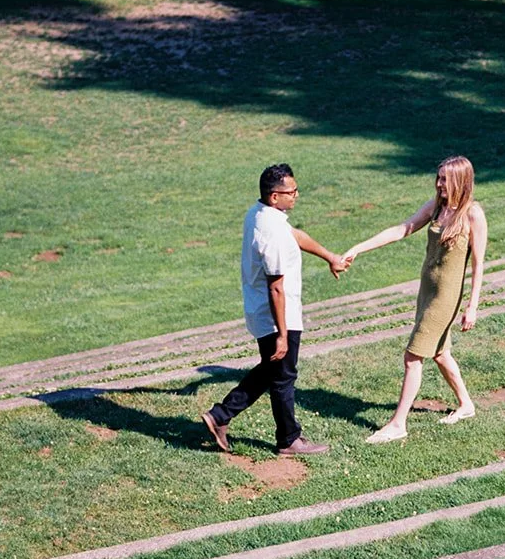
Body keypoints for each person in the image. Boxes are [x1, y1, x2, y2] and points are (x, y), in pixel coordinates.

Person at [200, 163, 349, 456]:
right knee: (283, 377)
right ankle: (289, 440)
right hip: (277, 315)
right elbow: (276, 287)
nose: (296, 195)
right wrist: (282, 333)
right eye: (290, 192)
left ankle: (219, 416)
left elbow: (295, 234)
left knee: (271, 371)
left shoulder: (261, 215)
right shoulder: (272, 232)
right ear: (273, 196)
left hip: (266, 311)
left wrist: (329, 256)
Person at [344, 155, 487, 443]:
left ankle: (398, 423)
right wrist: (358, 248)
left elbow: (479, 264)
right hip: (427, 290)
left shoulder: (473, 214)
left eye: (445, 179)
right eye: (438, 177)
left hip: (446, 296)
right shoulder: (437, 207)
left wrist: (472, 306)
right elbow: (403, 229)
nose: (439, 184)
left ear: (460, 180)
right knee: (439, 352)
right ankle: (466, 404)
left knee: (413, 356)